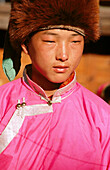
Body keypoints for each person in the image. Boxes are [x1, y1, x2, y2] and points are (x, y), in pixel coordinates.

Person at [0, 0, 110, 169]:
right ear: (25, 44)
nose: (64, 55)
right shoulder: (2, 103)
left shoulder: (102, 116)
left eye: (75, 42)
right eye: (50, 41)